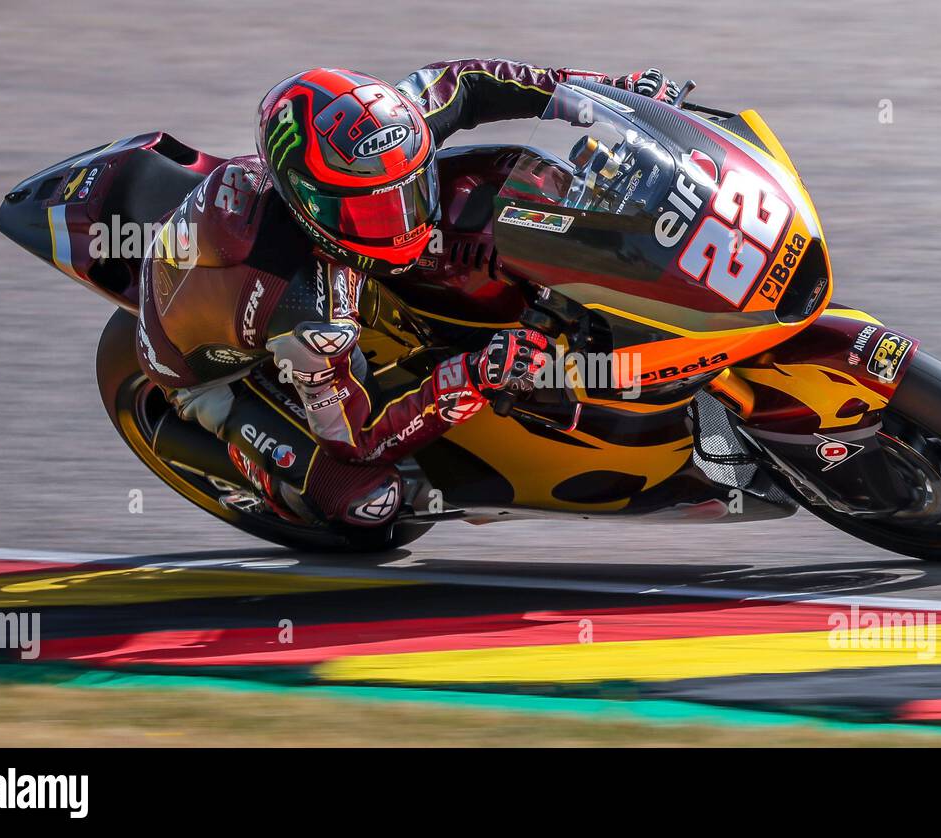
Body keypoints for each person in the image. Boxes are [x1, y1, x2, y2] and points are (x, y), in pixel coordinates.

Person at [135, 59, 679, 530]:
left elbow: (474, 81)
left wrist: (605, 93)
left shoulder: (396, 122)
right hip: (199, 366)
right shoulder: (308, 311)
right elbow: (358, 438)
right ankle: (258, 464)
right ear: (310, 204)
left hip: (254, 260)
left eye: (409, 192)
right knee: (371, 502)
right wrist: (472, 376)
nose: (400, 225)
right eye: (372, 212)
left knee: (485, 196)